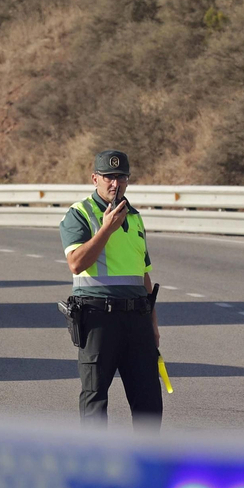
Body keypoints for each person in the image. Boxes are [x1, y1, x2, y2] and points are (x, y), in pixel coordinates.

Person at [59, 149, 161, 428]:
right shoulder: (79, 214)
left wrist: (153, 325)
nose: (115, 184)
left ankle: (146, 466)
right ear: (95, 178)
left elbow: (144, 275)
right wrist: (106, 230)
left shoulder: (136, 217)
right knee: (95, 399)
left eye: (121, 177)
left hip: (137, 320)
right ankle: (97, 467)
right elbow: (76, 264)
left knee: (149, 402)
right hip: (97, 319)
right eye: (108, 177)